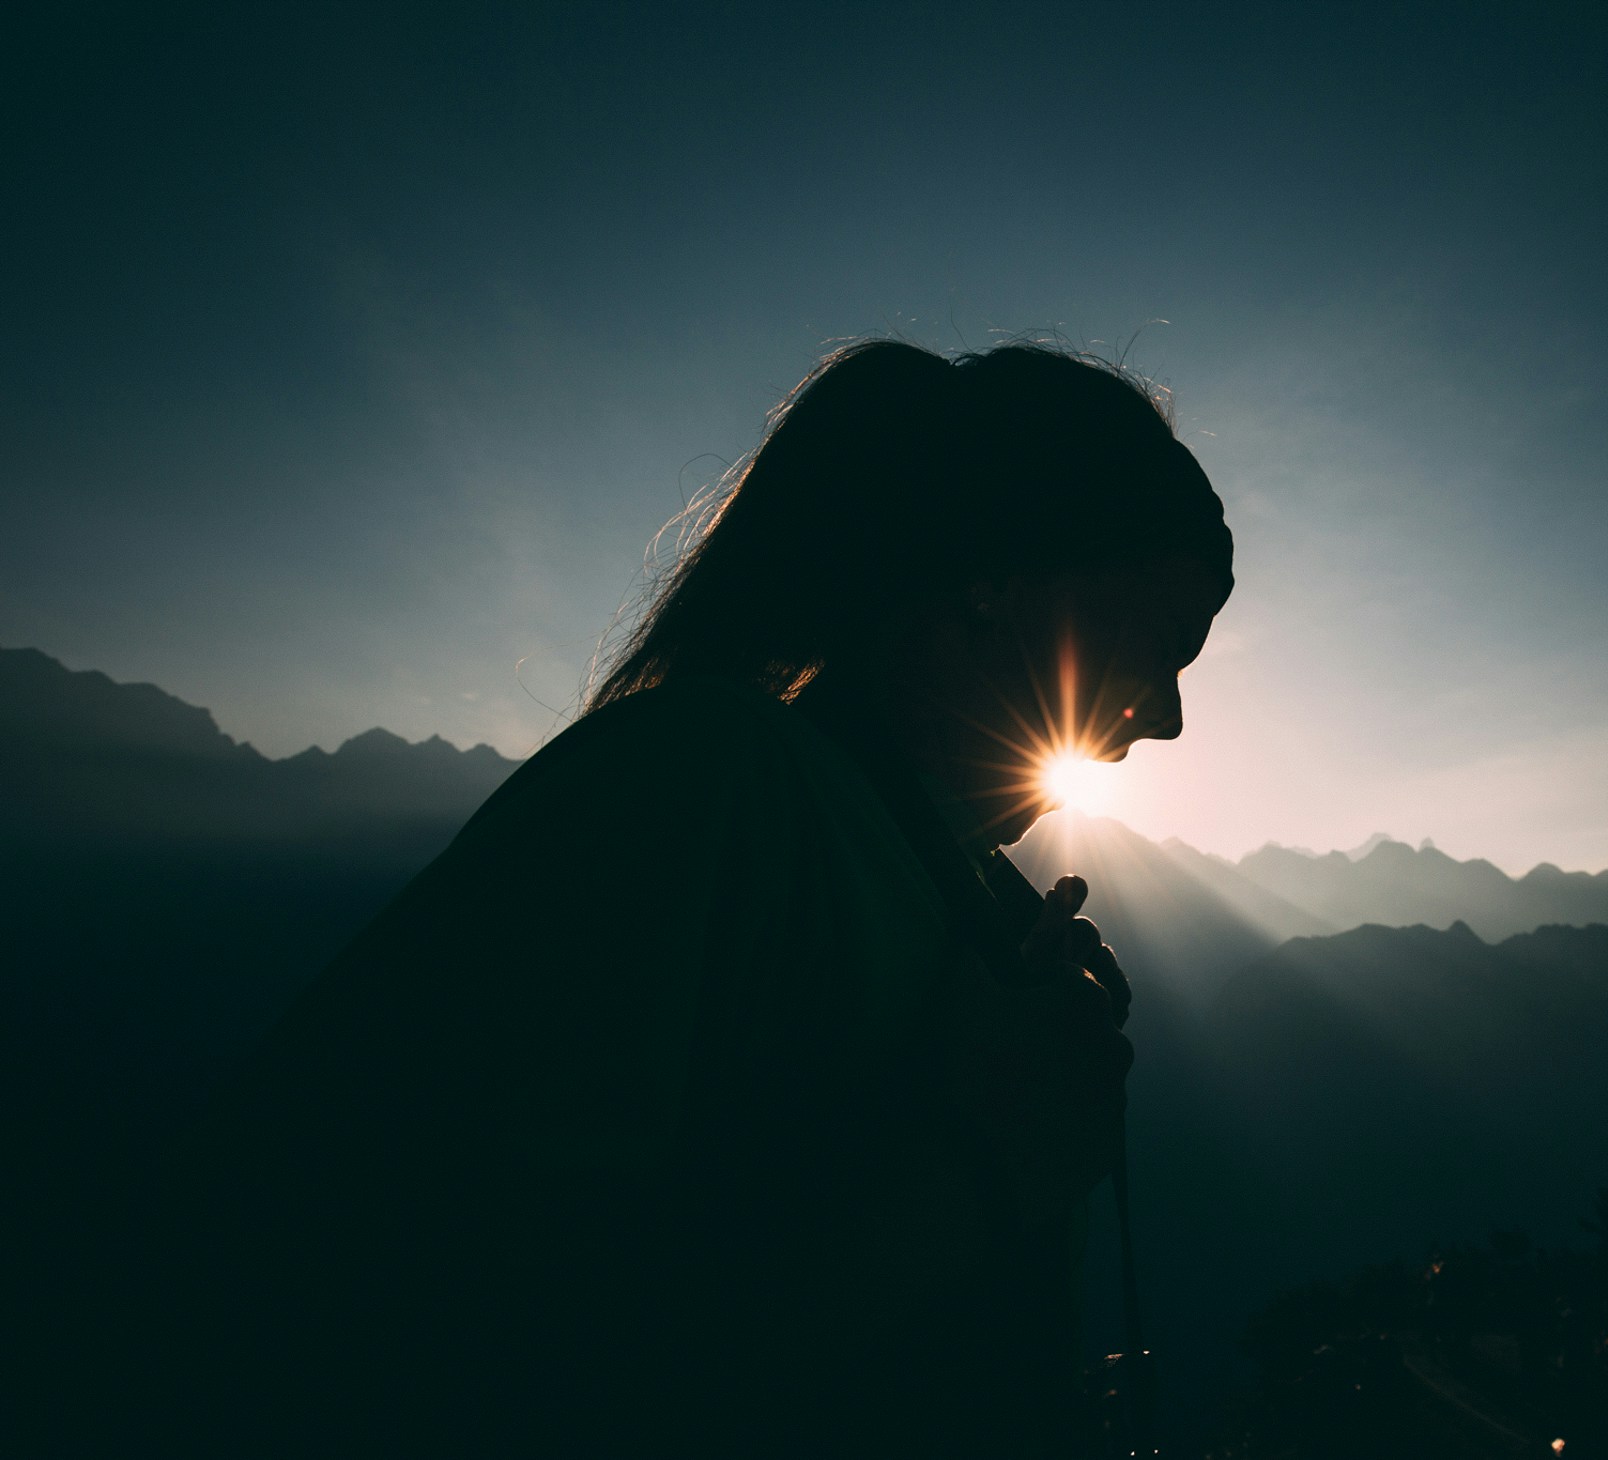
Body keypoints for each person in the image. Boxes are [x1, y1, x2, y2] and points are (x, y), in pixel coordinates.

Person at [123, 340, 1234, 1456]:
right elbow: (409, 1328)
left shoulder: (961, 893)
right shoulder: (695, 784)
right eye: (1161, 644)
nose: (1171, 716)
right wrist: (977, 1162)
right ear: (995, 575)